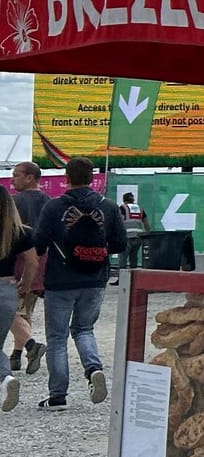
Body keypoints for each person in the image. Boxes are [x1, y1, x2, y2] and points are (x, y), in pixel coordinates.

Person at [31, 157, 125, 410]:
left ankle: (58, 396)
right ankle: (93, 368)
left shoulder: (53, 207)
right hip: (95, 278)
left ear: (67, 177)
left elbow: (38, 244)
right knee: (84, 329)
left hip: (60, 280)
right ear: (91, 176)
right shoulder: (109, 206)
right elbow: (120, 244)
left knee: (57, 338)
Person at [9, 162, 47, 376]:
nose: (13, 179)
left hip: (16, 264)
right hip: (41, 263)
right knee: (25, 311)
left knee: (8, 312)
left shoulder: (13, 203)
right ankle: (16, 354)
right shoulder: (49, 202)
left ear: (30, 177)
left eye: (16, 175)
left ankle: (32, 345)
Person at [0, 193, 34, 412]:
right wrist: (25, 284)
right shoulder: (21, 232)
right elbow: (32, 262)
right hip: (7, 289)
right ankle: (5, 380)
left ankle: (6, 379)